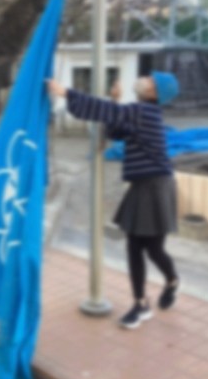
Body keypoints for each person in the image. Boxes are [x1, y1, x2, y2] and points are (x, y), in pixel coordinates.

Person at [48, 73, 180, 330]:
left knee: (153, 249)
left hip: (156, 187)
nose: (144, 79)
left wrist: (66, 93)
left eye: (150, 80)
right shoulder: (139, 113)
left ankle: (171, 281)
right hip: (144, 186)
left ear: (155, 93)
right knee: (135, 246)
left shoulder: (146, 113)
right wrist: (115, 102)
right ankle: (141, 303)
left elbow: (104, 111)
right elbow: (115, 129)